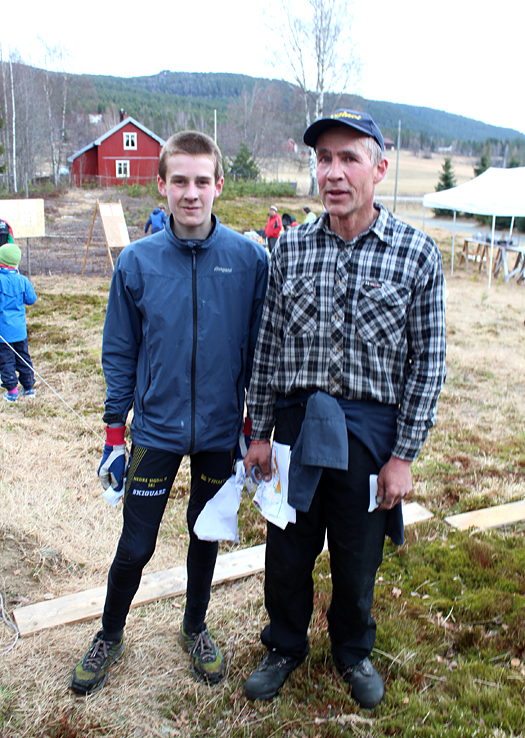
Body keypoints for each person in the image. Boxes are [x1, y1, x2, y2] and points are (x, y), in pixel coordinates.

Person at [243, 109, 446, 708]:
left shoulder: (416, 255)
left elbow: (428, 364)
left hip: (370, 434)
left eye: (348, 158)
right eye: (323, 158)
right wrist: (257, 431)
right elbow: (267, 346)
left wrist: (403, 456)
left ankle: (353, 652)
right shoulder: (292, 249)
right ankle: (283, 645)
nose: (333, 172)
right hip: (295, 429)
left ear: (379, 168)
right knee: (286, 553)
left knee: (358, 558)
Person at [70, 131, 269, 696]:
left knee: (205, 533)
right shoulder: (136, 262)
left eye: (201, 181)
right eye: (179, 180)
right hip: (155, 429)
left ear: (218, 186)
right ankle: (110, 633)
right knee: (135, 544)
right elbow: (119, 350)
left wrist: (256, 429)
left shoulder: (250, 259)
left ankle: (195, 625)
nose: (190, 192)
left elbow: (260, 351)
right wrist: (114, 433)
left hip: (218, 433)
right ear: (161, 185)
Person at [0, 243, 37, 402]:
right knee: (23, 358)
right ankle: (29, 388)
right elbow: (31, 299)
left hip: (3, 332)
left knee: (6, 360)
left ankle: (12, 392)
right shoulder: (23, 280)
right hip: (20, 331)